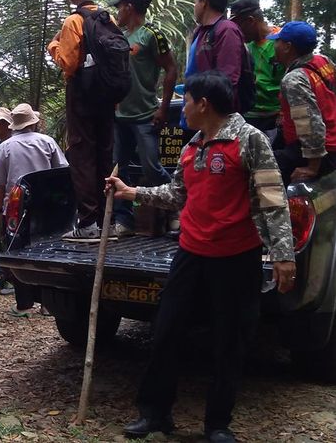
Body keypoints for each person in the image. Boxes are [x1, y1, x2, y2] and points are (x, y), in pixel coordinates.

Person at [106, 71, 296, 443]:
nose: (184, 109)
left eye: (187, 101)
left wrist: (283, 256)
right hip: (190, 255)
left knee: (229, 340)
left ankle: (218, 425)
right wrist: (131, 192)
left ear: (204, 104)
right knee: (166, 332)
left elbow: (274, 200)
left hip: (236, 257)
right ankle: (155, 414)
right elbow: (177, 193)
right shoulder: (194, 144)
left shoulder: (249, 140)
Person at [47, 0, 114, 241]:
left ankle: (87, 224)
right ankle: (105, 221)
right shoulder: (106, 18)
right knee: (103, 155)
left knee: (82, 156)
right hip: (106, 96)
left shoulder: (74, 21)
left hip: (82, 97)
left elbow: (70, 63)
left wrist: (54, 47)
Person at [109, 0, 177, 236]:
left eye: (120, 7)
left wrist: (164, 108)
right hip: (119, 116)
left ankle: (178, 208)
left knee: (151, 167)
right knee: (119, 168)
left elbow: (171, 69)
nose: (117, 12)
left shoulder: (152, 35)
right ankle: (124, 221)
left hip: (144, 115)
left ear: (129, 7)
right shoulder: (119, 37)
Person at [0, 103, 68, 316]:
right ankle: (47, 304)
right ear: (33, 123)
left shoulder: (4, 147)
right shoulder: (47, 142)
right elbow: (62, 172)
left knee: (17, 250)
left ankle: (24, 304)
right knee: (48, 251)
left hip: (15, 207)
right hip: (46, 206)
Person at [268, 21, 336, 184]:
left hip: (318, 151)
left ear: (287, 47)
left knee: (259, 166)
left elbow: (310, 124)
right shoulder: (323, 61)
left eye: (278, 41)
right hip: (330, 141)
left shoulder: (294, 80)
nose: (274, 44)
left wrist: (312, 167)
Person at [186, 0, 247, 112]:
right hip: (196, 111)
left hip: (212, 115)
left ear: (203, 2)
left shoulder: (227, 30)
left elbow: (227, 80)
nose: (194, 6)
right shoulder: (200, 31)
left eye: (195, 2)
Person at [230, 0, 285, 139]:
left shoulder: (281, 43)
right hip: (249, 116)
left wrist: (284, 112)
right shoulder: (244, 47)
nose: (236, 31)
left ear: (250, 21)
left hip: (275, 119)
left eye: (238, 26)